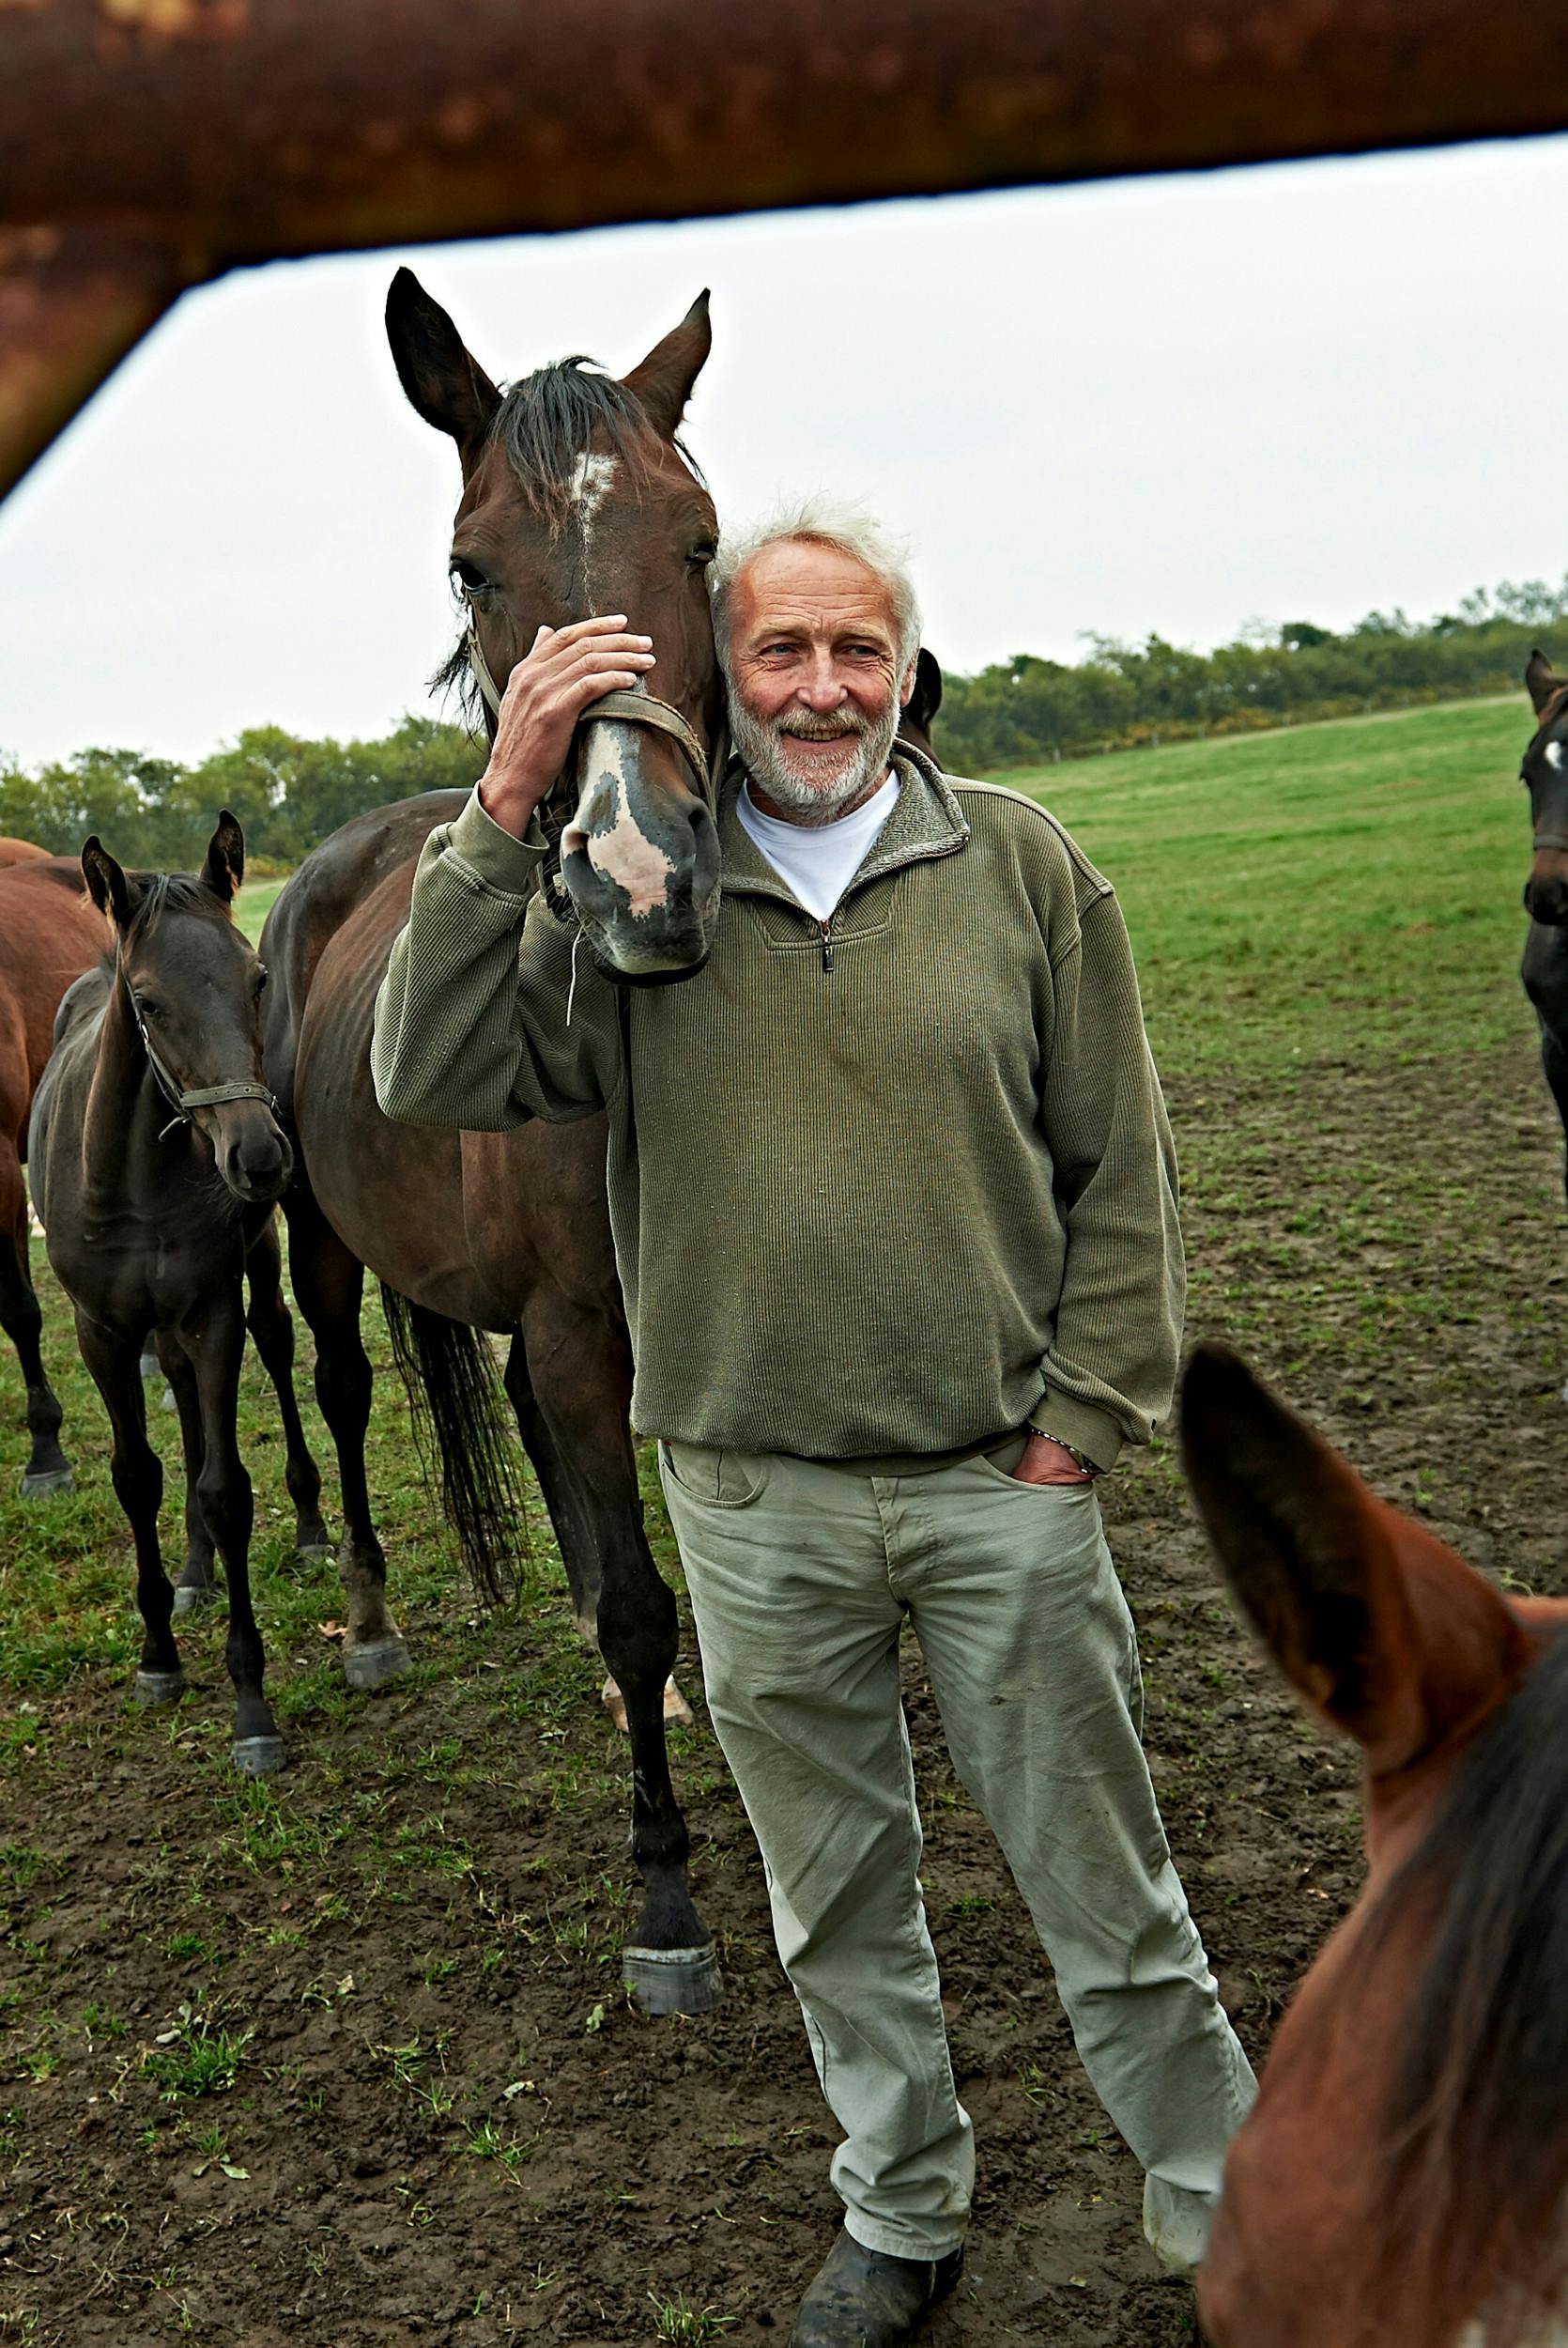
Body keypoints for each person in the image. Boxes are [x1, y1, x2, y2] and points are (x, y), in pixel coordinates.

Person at [372, 500, 1256, 2347]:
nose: (821, 686)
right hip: (756, 1504)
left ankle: (1227, 2204)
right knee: (836, 1903)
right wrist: (509, 798)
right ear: (720, 671)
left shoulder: (1019, 865)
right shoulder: (634, 889)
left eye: (858, 649)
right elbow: (428, 1066)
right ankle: (900, 2211)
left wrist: (1075, 1432)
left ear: (905, 673)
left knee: (1111, 1894)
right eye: (780, 649)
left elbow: (1121, 1172)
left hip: (998, 1486)